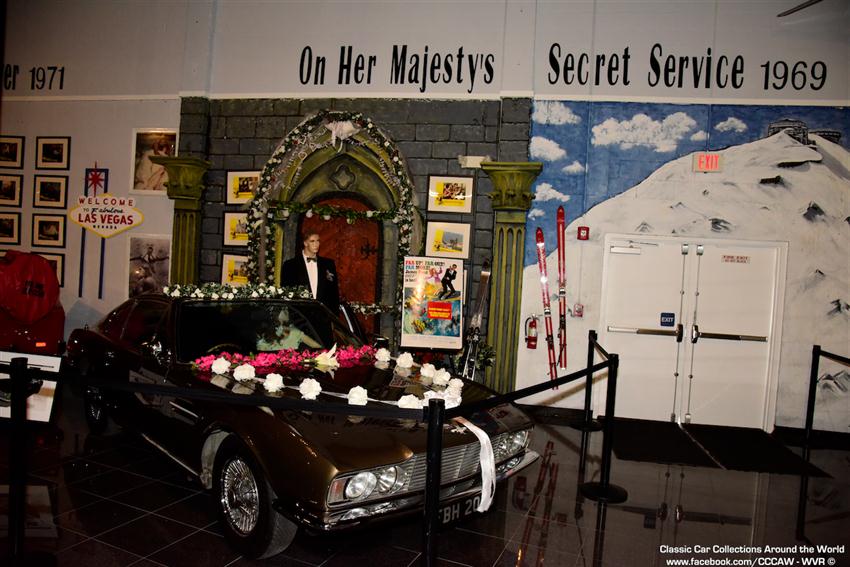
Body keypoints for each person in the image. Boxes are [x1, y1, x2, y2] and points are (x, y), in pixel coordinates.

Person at [281, 230, 340, 313]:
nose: (316, 244)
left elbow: (334, 293)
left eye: (318, 241)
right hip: (300, 315)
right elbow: (286, 291)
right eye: (312, 241)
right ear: (305, 243)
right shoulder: (290, 265)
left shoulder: (328, 264)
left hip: (324, 315)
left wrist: (334, 315)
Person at [256, 308, 320, 351]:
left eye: (286, 308)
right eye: (282, 308)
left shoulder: (295, 332)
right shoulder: (266, 335)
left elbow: (318, 347)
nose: (286, 310)